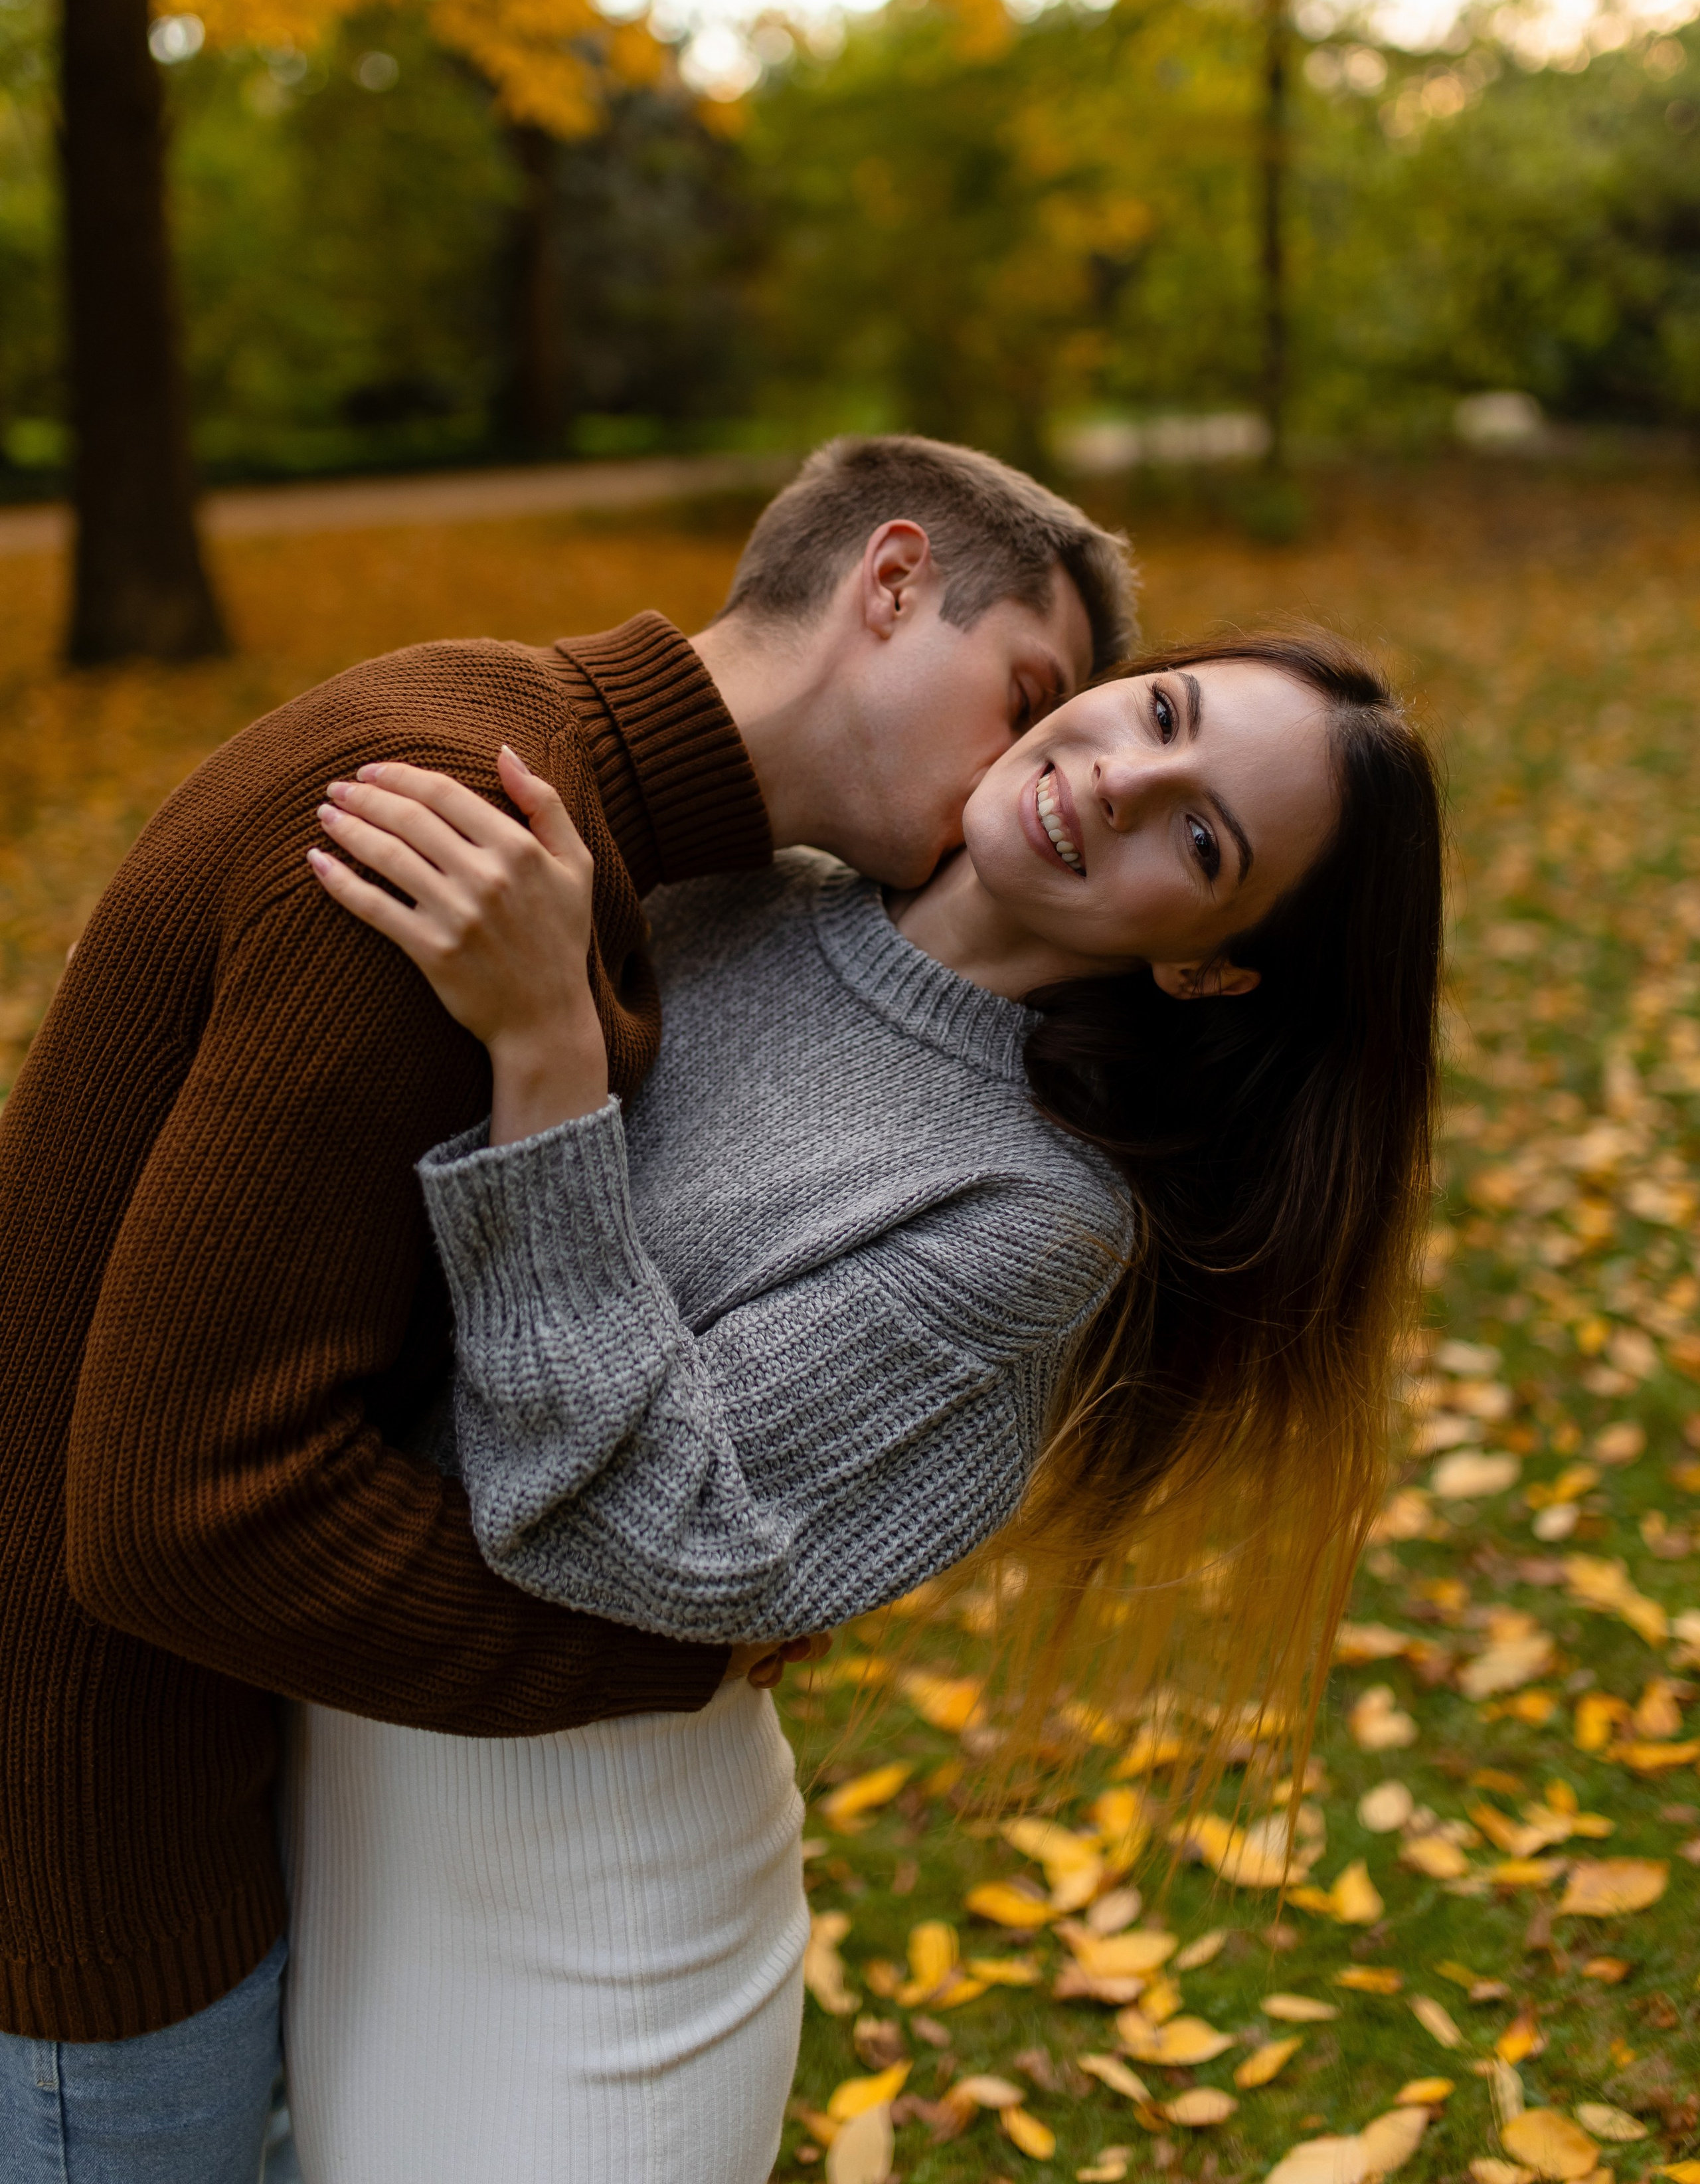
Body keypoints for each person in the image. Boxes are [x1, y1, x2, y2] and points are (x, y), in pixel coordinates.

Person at [0, 435, 1132, 2183]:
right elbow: (175, 1523)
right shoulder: (457, 826)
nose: (1031, 774)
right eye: (1032, 693)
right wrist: (656, 1642)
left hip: (219, 1825)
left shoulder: (567, 817)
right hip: (97, 1876)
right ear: (892, 582)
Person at [288, 628, 1444, 2183]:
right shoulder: (737, 886)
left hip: (575, 1891)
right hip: (303, 1761)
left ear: (1206, 965)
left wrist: (547, 1049)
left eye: (1197, 836)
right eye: (1159, 714)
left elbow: (639, 1534)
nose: (1118, 782)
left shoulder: (1031, 1211)